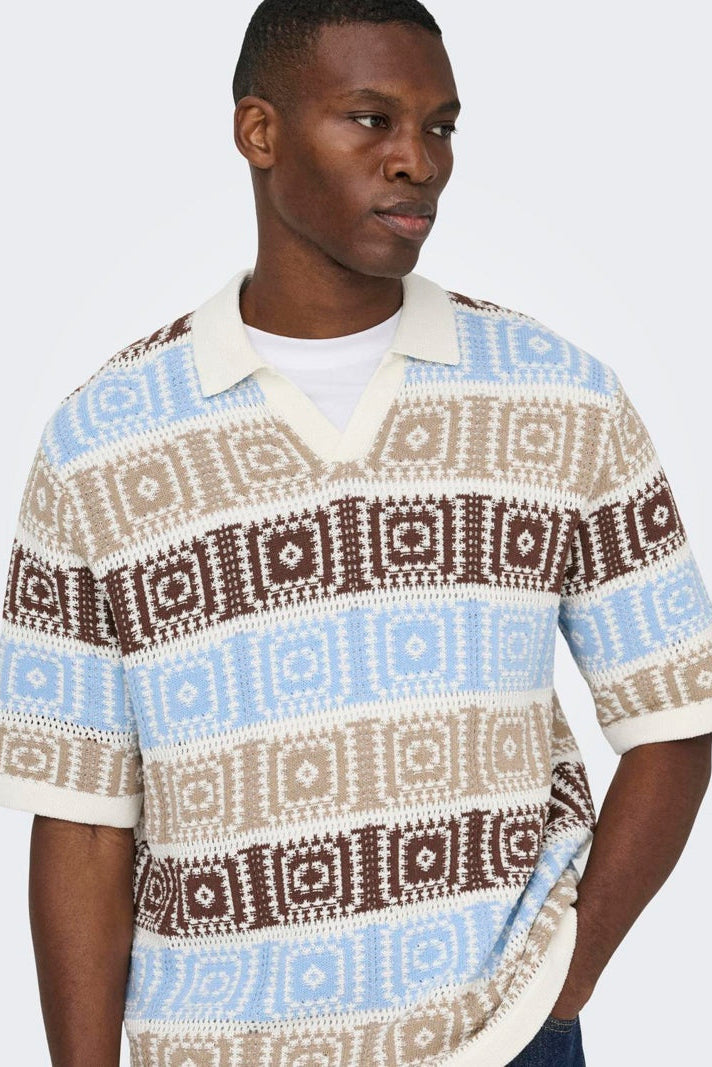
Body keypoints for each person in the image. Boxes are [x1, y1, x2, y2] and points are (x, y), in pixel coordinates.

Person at [0, 1, 710, 1064]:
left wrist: (566, 977)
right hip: (214, 1045)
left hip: (503, 1036)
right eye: (372, 120)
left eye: (440, 127)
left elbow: (678, 706)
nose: (418, 161)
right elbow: (82, 819)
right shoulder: (101, 440)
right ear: (259, 131)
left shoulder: (559, 397)